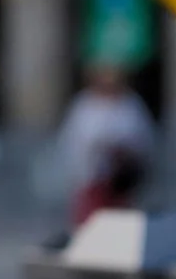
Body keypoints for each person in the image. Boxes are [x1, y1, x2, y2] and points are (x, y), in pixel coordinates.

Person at [56, 63, 156, 224]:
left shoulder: (130, 104)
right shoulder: (84, 105)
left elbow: (142, 139)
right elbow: (74, 142)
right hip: (91, 179)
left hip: (121, 181)